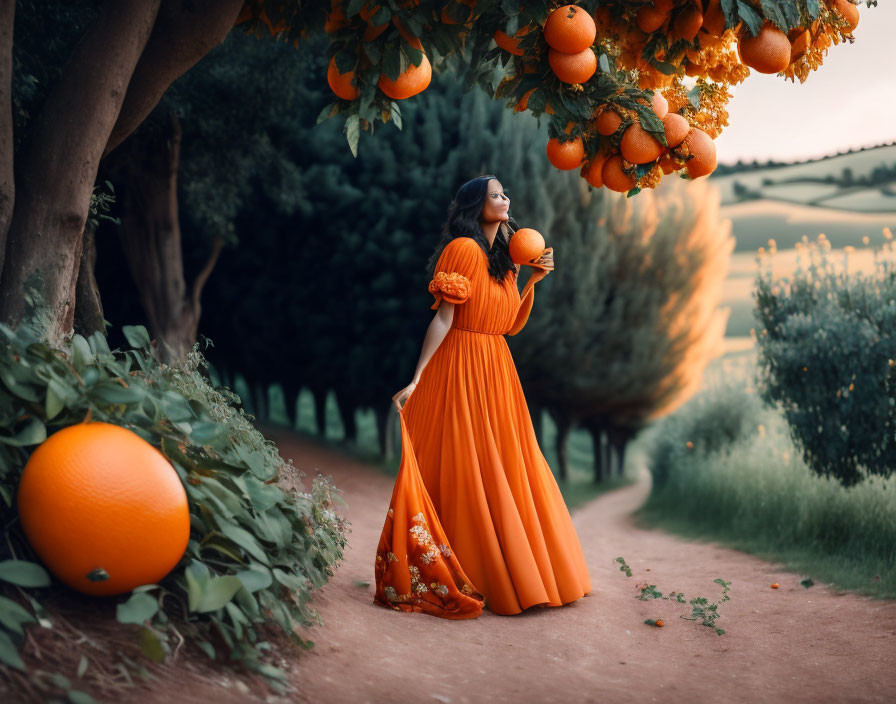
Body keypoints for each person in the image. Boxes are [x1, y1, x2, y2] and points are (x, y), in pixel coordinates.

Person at [373, 175, 592, 618]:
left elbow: (509, 324)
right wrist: (418, 377)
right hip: (460, 364)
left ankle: (516, 571)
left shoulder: (504, 260)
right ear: (476, 206)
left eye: (506, 193)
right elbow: (443, 319)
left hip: (497, 366)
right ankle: (473, 567)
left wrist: (531, 280)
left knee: (508, 463)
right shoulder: (462, 250)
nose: (506, 198)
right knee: (467, 464)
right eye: (496, 194)